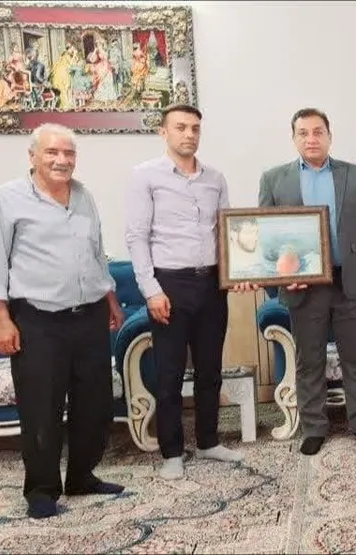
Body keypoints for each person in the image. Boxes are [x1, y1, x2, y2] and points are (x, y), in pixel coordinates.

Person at [0, 123, 126, 519]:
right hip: (38, 320)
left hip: (90, 315)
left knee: (94, 402)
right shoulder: (4, 200)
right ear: (33, 156)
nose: (62, 160)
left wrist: (110, 298)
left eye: (69, 153)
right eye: (52, 152)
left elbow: (96, 253)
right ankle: (41, 490)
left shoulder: (83, 195)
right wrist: (1, 319)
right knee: (41, 407)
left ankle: (82, 476)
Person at [124, 104, 247, 481]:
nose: (189, 134)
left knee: (210, 369)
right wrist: (151, 290)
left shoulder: (215, 178)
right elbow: (136, 237)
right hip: (169, 285)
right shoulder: (145, 176)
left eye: (194, 128)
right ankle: (172, 452)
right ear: (164, 132)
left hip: (212, 283)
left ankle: (209, 441)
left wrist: (239, 271)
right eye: (180, 127)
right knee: (170, 373)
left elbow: (227, 232)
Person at [258, 107, 356, 455]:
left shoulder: (355, 175)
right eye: (303, 133)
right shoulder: (274, 180)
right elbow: (268, 237)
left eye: (318, 132)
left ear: (329, 136)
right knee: (309, 359)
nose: (311, 139)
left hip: (350, 282)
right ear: (294, 138)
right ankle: (314, 427)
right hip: (304, 287)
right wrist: (281, 279)